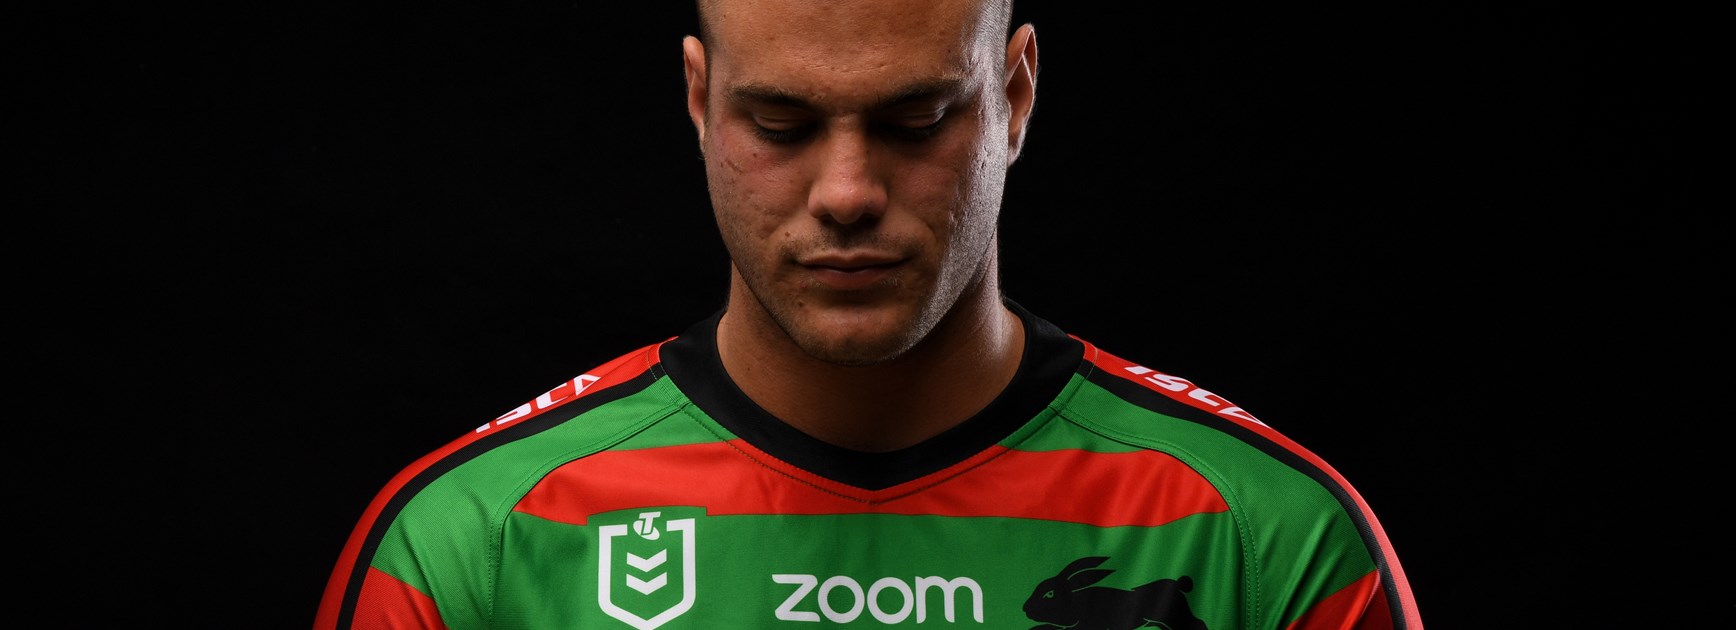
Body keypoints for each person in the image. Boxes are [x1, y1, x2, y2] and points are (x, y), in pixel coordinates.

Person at [314, 1, 1423, 628]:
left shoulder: (1267, 539)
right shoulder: (470, 545)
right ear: (698, 100)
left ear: (1014, 96)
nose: (846, 193)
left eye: (916, 119)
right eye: (780, 124)